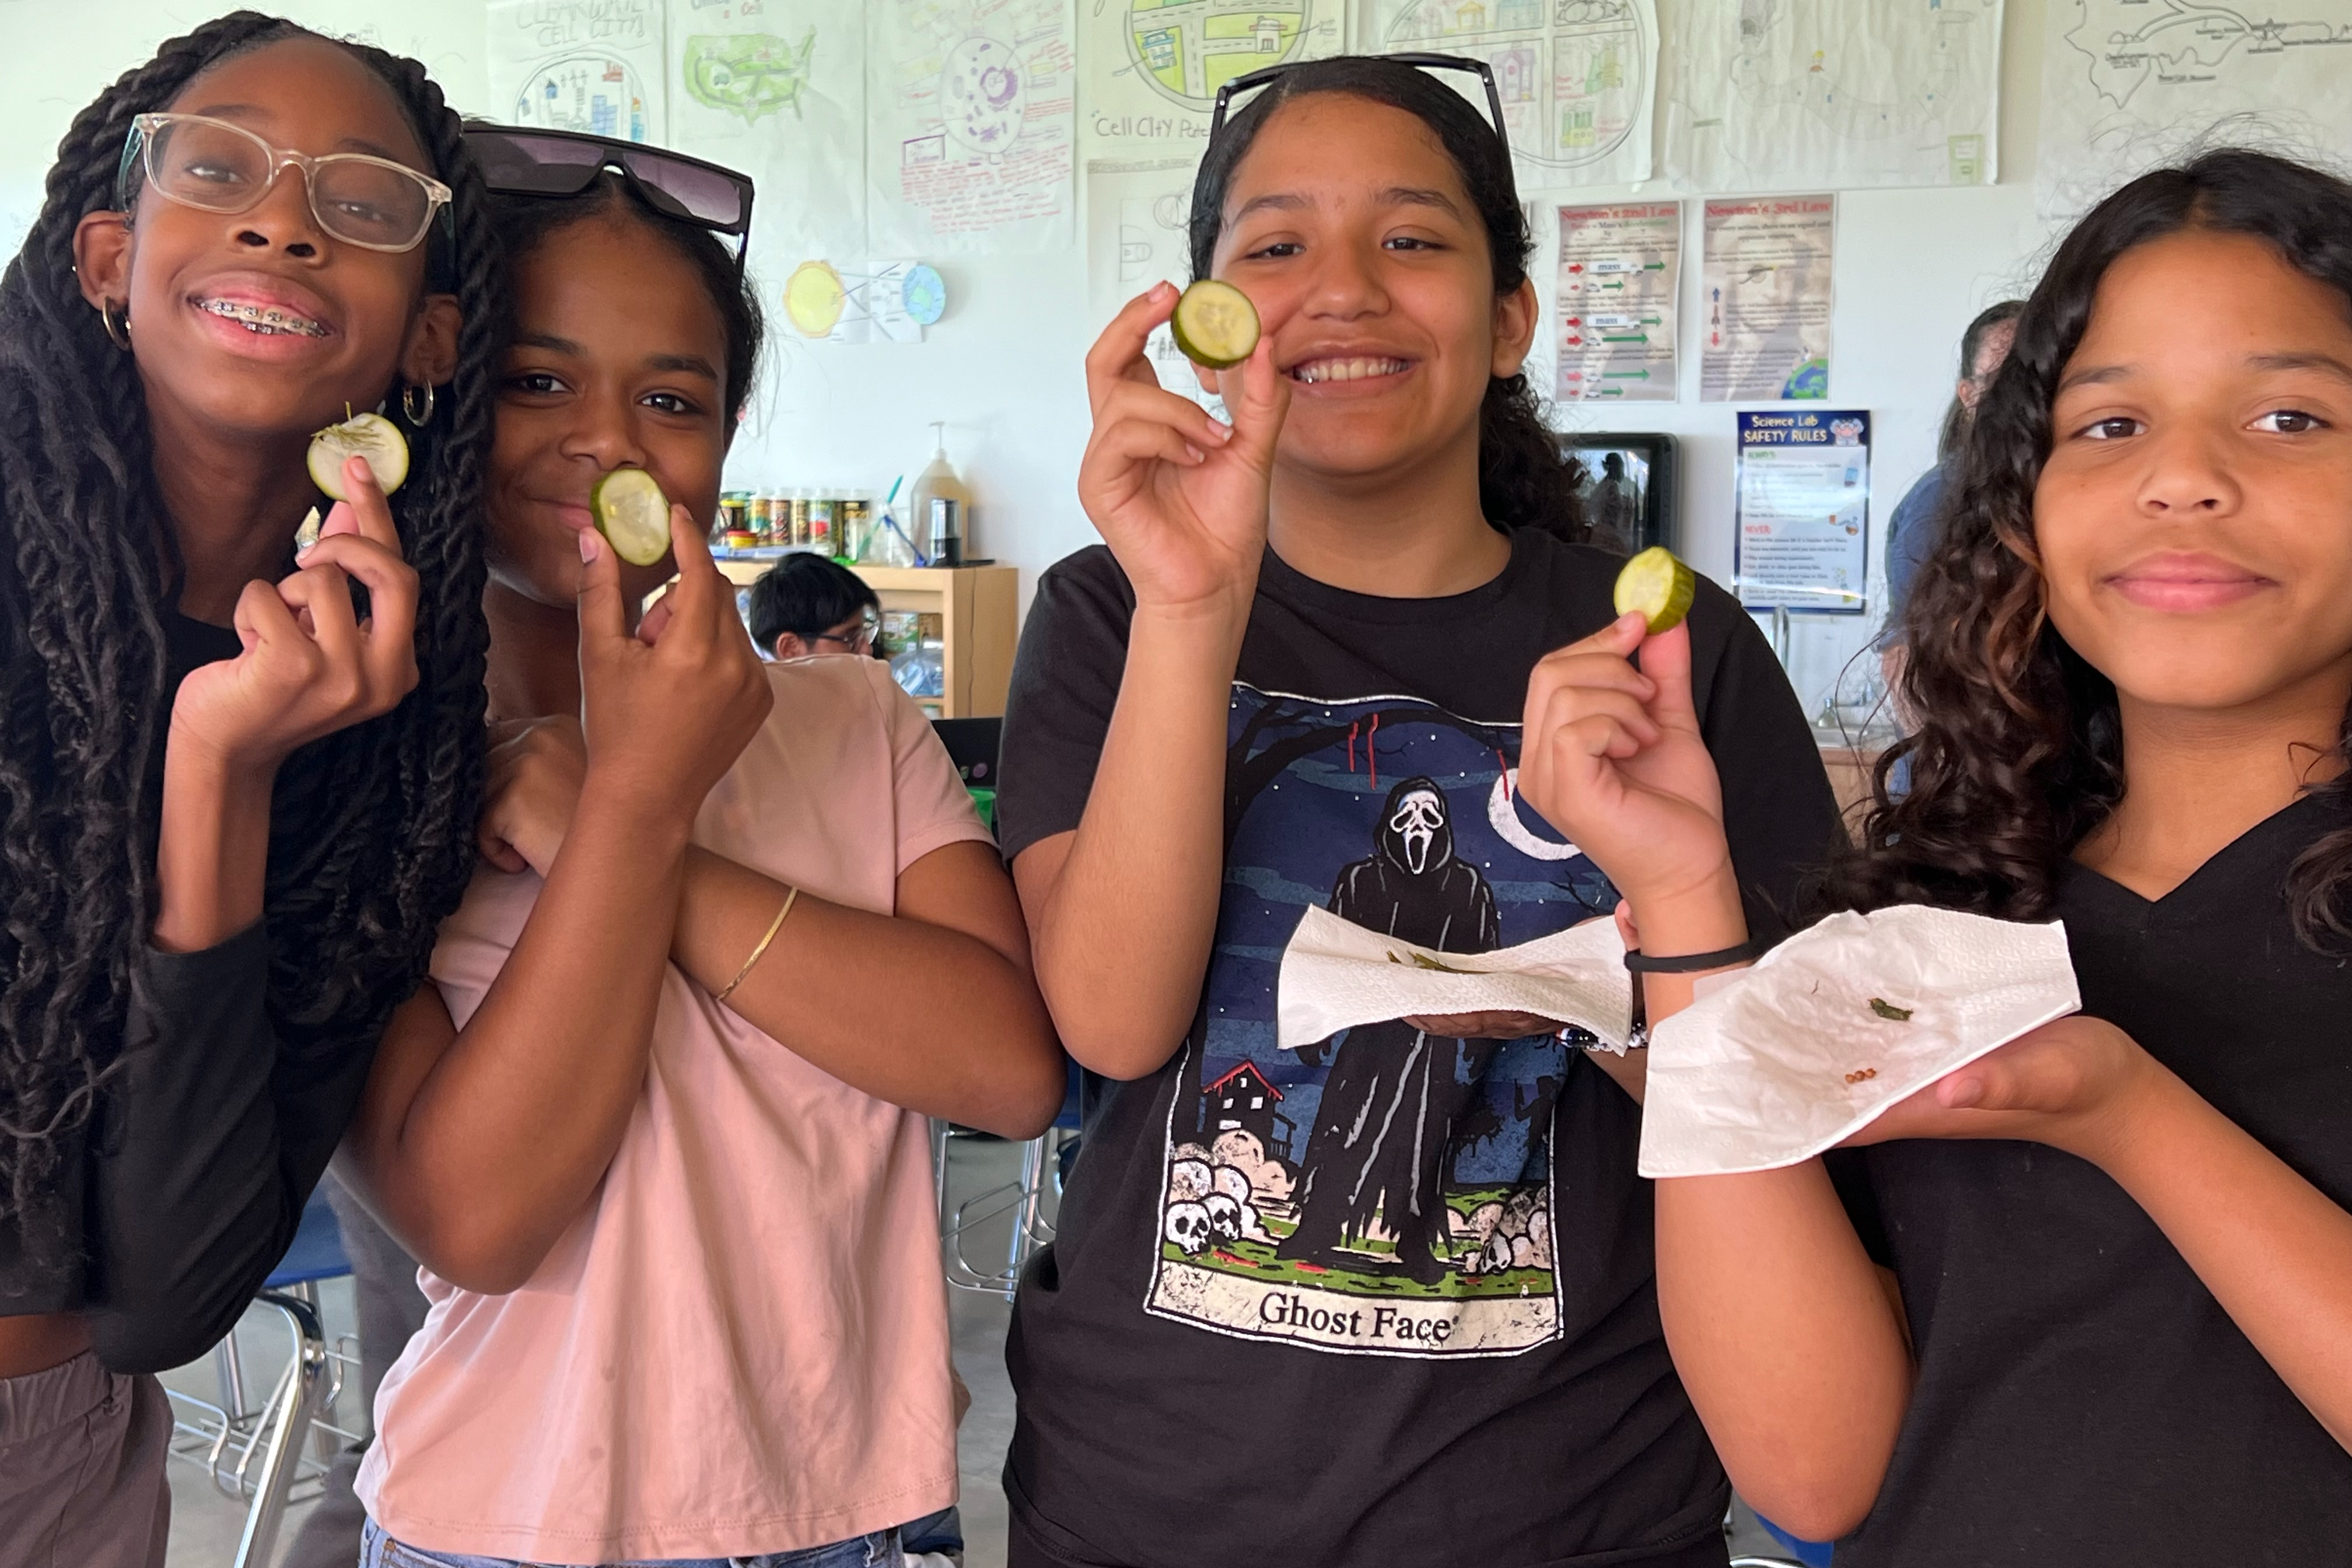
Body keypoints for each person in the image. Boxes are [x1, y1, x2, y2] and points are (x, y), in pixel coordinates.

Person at [993, 56, 1840, 1568]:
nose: (1343, 291)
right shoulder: (1110, 611)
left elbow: (1787, 1105)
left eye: (1411, 239)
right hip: (1150, 1503)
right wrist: (1197, 607)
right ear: (1207, 315)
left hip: (1570, 1506)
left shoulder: (1670, 647)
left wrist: (1577, 980)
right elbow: (1109, 1025)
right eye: (1276, 246)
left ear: (1512, 313)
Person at [1518, 148, 2352, 1563]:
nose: (2186, 481)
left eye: (2290, 415)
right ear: (2019, 506)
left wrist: (2125, 1115)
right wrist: (1680, 899)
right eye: (2109, 427)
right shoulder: (1943, 904)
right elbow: (1812, 1471)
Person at [338, 152, 1063, 1568]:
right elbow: (478, 1217)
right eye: (537, 382)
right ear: (442, 389)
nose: (605, 442)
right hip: (507, 1524)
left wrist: (632, 825)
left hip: (860, 1518)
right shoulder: (365, 776)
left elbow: (1008, 1068)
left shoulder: (850, 718)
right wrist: (637, 809)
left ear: (727, 441)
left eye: (671, 399)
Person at [0, 16, 496, 1564]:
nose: (281, 219)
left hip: (53, 1463)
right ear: (105, 254)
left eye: (362, 204)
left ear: (428, 336)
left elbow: (166, 1295)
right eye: (216, 169)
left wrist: (223, 774)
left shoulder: (378, 725)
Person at [1879, 299, 2021, 651]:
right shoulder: (1939, 500)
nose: (2023, 397)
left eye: (2037, 375)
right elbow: (1908, 655)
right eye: (2001, 379)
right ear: (1969, 396)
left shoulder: (2062, 488)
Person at [748, 552, 883, 662]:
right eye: (850, 639)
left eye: (865, 631)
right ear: (790, 648)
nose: (867, 650)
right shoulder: (763, 693)